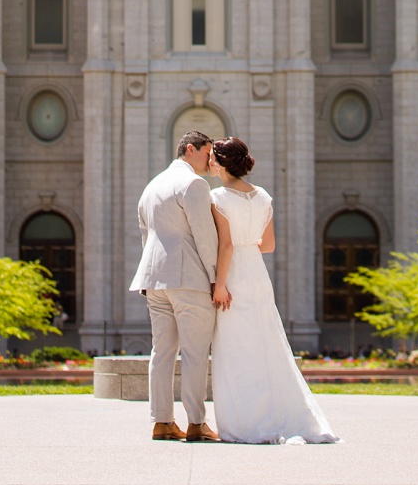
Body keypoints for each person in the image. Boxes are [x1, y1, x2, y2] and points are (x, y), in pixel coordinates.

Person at [209, 137, 339, 444]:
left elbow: (225, 245)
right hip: (257, 273)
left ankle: (244, 422)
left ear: (223, 162)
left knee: (234, 348)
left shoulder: (217, 197)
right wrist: (248, 243)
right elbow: (268, 245)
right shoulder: (263, 196)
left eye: (213, 157)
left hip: (235, 274)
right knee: (265, 344)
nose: (210, 162)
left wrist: (220, 284)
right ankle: (279, 414)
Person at [129, 129, 227, 441]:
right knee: (196, 353)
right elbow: (204, 236)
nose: (210, 158)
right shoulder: (194, 184)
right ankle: (197, 422)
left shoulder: (152, 185)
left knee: (162, 352)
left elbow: (146, 235)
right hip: (189, 279)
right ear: (190, 150)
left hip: (154, 280)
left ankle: (162, 421)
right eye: (207, 151)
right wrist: (217, 280)